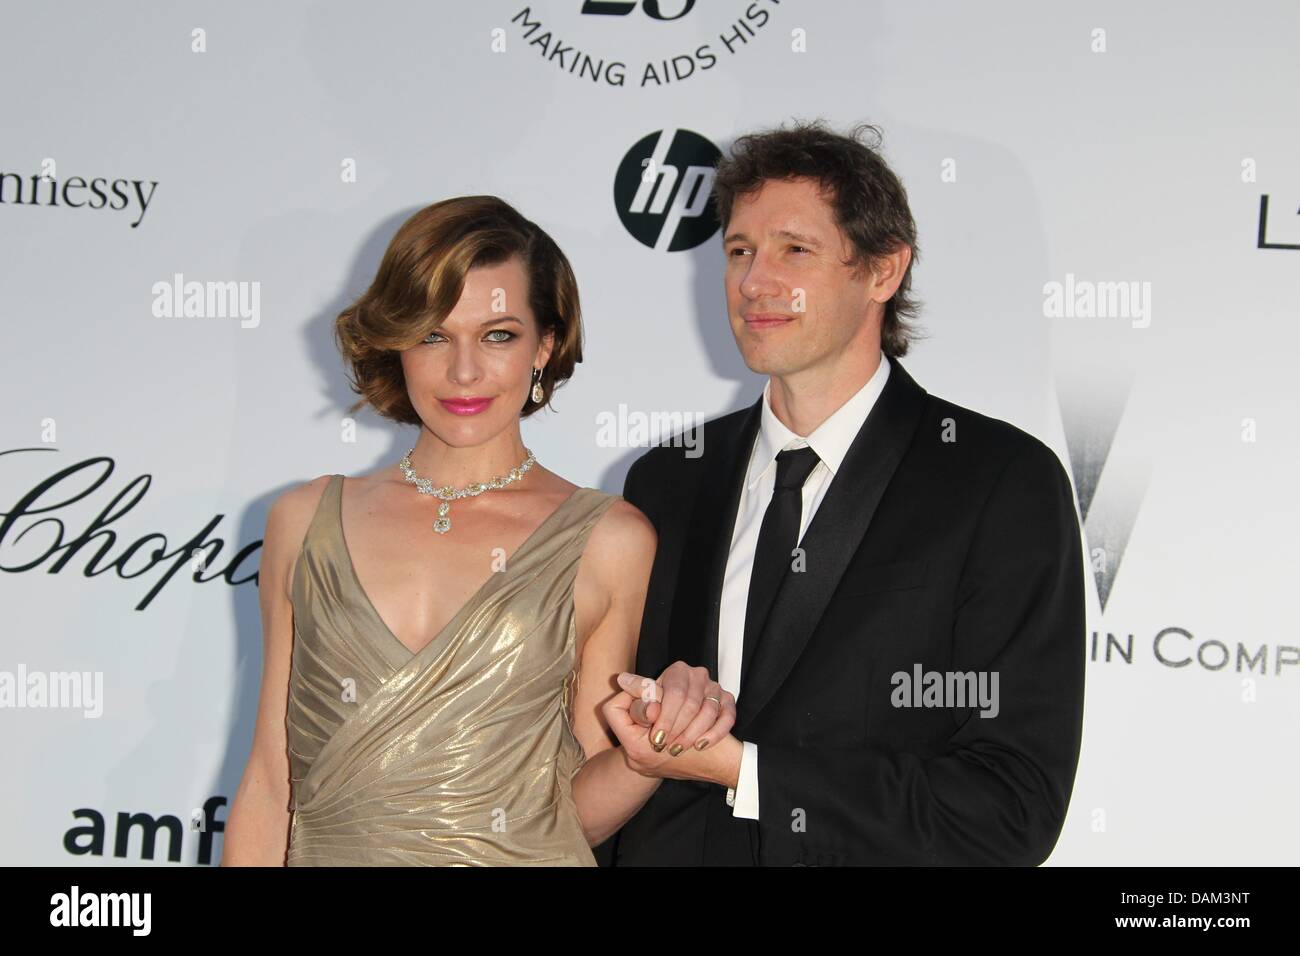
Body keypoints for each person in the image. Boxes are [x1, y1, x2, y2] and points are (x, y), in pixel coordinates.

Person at [602, 120, 1087, 866]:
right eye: (739, 252)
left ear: (884, 270)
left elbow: (1008, 806)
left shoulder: (998, 482)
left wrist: (749, 773)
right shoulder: (669, 478)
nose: (755, 282)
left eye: (794, 250)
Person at [222, 196, 734, 866]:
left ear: (545, 346)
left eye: (498, 335)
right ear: (397, 340)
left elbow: (575, 814)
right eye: (434, 334)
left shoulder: (609, 540)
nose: (463, 371)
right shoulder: (303, 521)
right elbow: (268, 783)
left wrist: (649, 755)